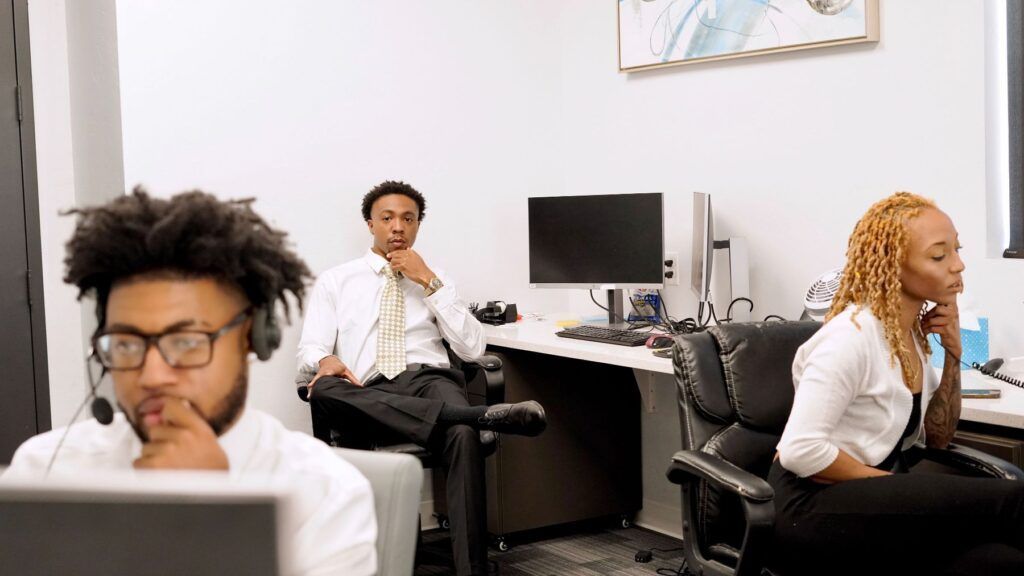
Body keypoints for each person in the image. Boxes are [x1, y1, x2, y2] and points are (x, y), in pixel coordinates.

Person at [4, 188, 377, 576]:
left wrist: (206, 523)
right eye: (127, 344)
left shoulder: (325, 497)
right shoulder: (44, 471)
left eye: (186, 342)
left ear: (254, 337)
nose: (151, 377)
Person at [298, 180, 546, 576]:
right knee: (323, 389)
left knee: (460, 437)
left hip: (430, 381)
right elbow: (309, 347)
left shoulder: (436, 279)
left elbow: (471, 350)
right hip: (368, 389)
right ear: (370, 224)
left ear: (417, 226)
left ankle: (472, 569)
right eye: (388, 218)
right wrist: (325, 357)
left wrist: (428, 281)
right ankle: (477, 415)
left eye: (408, 219)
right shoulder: (336, 280)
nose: (398, 227)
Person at [770, 192, 1024, 575]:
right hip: (810, 508)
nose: (958, 265)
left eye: (956, 249)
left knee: (1002, 561)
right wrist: (897, 490)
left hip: (868, 501)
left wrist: (952, 354)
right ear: (893, 265)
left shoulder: (909, 338)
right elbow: (800, 452)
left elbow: (937, 437)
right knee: (1014, 501)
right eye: (939, 255)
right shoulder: (850, 338)